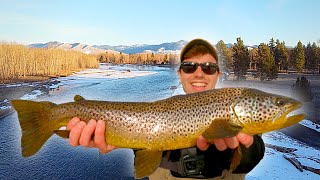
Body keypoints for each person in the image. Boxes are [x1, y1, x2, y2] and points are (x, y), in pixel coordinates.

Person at [67, 38, 265, 179]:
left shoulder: (234, 113)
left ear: (218, 74)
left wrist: (245, 148)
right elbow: (145, 158)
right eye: (189, 67)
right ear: (180, 73)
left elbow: (252, 156)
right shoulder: (155, 115)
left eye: (208, 67)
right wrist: (115, 137)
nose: (198, 74)